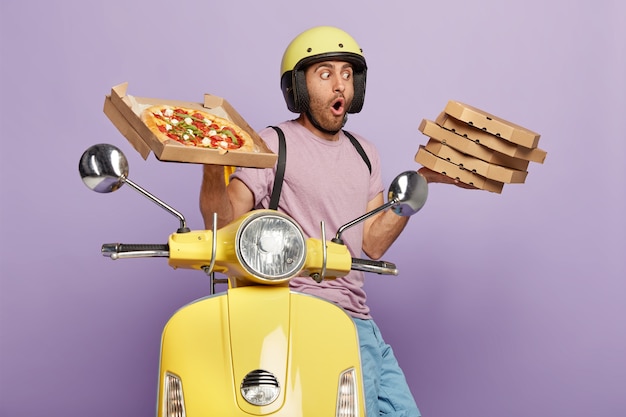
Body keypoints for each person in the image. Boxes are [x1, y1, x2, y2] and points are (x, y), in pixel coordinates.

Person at [200, 25, 459, 417]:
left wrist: (421, 180)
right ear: (299, 89)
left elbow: (371, 243)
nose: (340, 85)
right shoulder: (273, 143)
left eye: (347, 74)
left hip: (357, 318)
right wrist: (210, 164)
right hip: (295, 313)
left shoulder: (364, 152)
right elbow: (223, 225)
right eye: (325, 74)